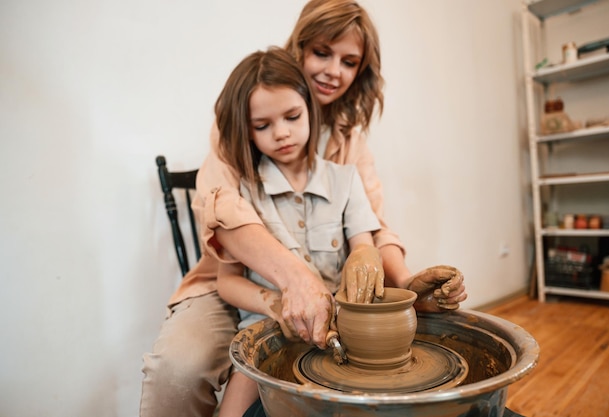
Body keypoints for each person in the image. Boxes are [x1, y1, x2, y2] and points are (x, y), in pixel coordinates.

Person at [140, 1, 467, 416]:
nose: (334, 71)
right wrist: (292, 284)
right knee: (177, 371)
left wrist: (405, 281)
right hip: (241, 285)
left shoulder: (347, 147)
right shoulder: (242, 136)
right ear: (299, 47)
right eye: (322, 53)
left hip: (325, 298)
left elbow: (371, 232)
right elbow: (224, 217)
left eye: (349, 61)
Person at [214, 47, 384, 417]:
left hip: (340, 327)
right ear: (247, 130)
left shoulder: (345, 179)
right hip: (267, 333)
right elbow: (226, 282)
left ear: (311, 108)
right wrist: (273, 304)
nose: (282, 133)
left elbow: (363, 245)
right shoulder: (244, 192)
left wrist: (366, 255)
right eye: (263, 126)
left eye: (292, 116)